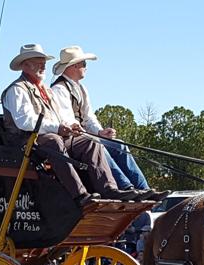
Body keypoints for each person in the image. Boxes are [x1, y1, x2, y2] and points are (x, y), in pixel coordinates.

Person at [1, 44, 141, 205]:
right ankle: (80, 195)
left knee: (90, 143)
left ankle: (109, 189)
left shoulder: (46, 90)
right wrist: (57, 128)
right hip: (26, 142)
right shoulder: (17, 89)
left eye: (43, 62)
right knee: (54, 140)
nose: (43, 65)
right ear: (25, 65)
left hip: (49, 138)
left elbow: (58, 117)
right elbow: (25, 121)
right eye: (38, 62)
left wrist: (69, 126)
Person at [50, 46, 167, 202]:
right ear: (74, 66)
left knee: (119, 145)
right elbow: (67, 119)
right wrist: (91, 136)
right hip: (74, 141)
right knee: (100, 147)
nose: (86, 67)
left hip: (86, 136)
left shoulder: (81, 89)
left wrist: (99, 132)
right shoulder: (59, 89)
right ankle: (126, 187)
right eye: (84, 63)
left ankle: (143, 188)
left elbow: (88, 117)